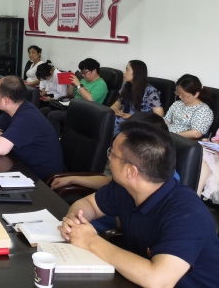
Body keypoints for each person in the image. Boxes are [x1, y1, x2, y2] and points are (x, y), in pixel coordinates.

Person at [59, 121, 219, 288]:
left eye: (112, 153)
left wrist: (90, 240)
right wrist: (75, 222)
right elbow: (89, 205)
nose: (109, 157)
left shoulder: (188, 214)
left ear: (131, 171)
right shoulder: (125, 188)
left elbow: (160, 280)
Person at [0, 76, 63, 179]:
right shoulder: (15, 110)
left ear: (5, 100)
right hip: (22, 167)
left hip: (42, 180)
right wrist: (0, 136)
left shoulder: (27, 118)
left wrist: (3, 139)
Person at [40, 58, 108, 137]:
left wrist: (78, 85)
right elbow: (71, 95)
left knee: (53, 115)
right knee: (43, 110)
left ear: (94, 71)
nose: (83, 75)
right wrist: (70, 86)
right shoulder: (84, 80)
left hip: (85, 111)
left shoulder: (101, 84)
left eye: (85, 73)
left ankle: (54, 140)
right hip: (72, 106)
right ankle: (44, 135)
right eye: (82, 73)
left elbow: (90, 99)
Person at [110, 60, 163, 135]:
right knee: (107, 118)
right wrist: (116, 110)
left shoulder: (151, 92)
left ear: (136, 72)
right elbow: (116, 104)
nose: (124, 73)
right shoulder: (127, 86)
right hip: (123, 118)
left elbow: (159, 116)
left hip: (139, 123)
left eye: (127, 70)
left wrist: (134, 117)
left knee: (112, 123)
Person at [164, 74, 213, 139]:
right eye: (178, 93)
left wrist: (172, 136)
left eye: (183, 95)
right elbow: (166, 121)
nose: (180, 97)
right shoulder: (177, 104)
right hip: (166, 136)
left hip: (182, 140)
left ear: (196, 94)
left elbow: (196, 133)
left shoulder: (203, 110)